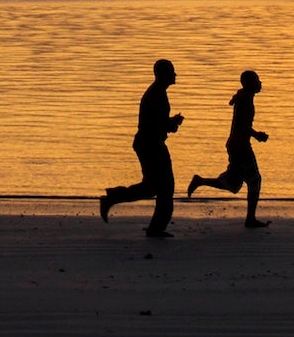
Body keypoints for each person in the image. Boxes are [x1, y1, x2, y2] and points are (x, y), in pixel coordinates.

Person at [99, 58, 184, 237]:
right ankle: (156, 228)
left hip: (148, 143)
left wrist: (170, 124)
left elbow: (156, 123)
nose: (175, 75)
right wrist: (172, 124)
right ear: (163, 75)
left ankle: (114, 197)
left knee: (152, 186)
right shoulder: (156, 95)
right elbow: (156, 125)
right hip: (151, 144)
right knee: (165, 187)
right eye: (172, 71)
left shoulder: (158, 92)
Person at [188, 69, 270, 228]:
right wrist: (257, 135)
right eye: (257, 80)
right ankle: (250, 219)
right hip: (240, 146)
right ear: (250, 84)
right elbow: (241, 124)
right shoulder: (245, 99)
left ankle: (200, 180)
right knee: (254, 180)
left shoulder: (244, 96)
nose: (260, 83)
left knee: (233, 183)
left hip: (237, 145)